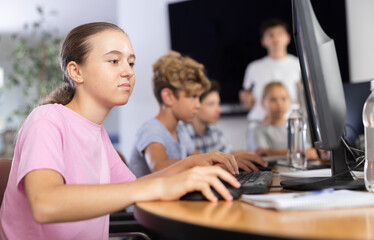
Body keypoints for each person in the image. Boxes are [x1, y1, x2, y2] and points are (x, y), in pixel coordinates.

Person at [0, 22, 241, 240]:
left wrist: (191, 164)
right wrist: (161, 185)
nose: (128, 71)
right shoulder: (46, 120)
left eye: (131, 62)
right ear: (76, 72)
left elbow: (135, 186)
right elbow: (45, 204)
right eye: (114, 61)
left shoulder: (97, 133)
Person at [128, 51, 250, 178]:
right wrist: (206, 163)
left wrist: (227, 161)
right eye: (193, 97)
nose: (198, 105)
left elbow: (197, 159)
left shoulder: (180, 130)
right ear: (168, 97)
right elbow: (158, 167)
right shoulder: (151, 129)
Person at [182, 80, 268, 172]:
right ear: (196, 105)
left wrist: (239, 155)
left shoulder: (214, 131)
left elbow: (228, 153)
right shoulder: (182, 132)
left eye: (218, 104)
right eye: (211, 104)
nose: (219, 110)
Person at [239, 18, 301, 122]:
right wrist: (246, 100)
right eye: (270, 35)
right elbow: (248, 103)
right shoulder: (254, 67)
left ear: (288, 37)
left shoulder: (299, 65)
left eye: (280, 33)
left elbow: (307, 100)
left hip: (290, 122)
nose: (276, 38)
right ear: (263, 41)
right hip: (260, 121)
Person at [247, 82, 317, 159]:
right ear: (263, 103)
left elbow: (313, 152)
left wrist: (275, 153)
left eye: (283, 99)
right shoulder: (258, 130)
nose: (279, 103)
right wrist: (301, 152)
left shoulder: (298, 124)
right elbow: (263, 154)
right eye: (273, 100)